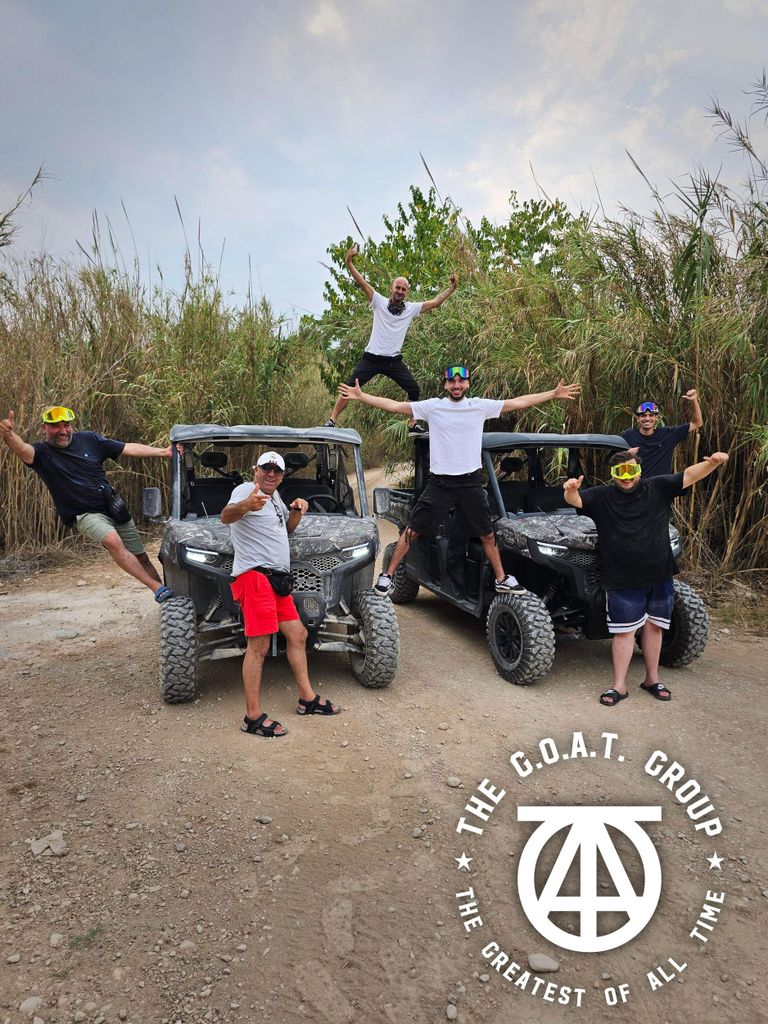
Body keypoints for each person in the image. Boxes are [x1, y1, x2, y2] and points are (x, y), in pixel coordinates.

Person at [340, 366, 581, 595]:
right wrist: (361, 396)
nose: (456, 385)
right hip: (440, 484)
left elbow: (517, 402)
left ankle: (501, 579)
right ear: (445, 385)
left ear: (467, 384)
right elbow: (394, 405)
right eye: (451, 381)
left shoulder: (479, 406)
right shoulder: (433, 407)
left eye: (461, 381)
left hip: (470, 483)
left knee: (487, 534)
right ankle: (388, 576)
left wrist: (553, 394)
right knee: (413, 530)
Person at [563, 449, 729, 708]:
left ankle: (652, 679)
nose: (626, 477)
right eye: (620, 472)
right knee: (624, 633)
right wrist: (571, 489)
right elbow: (576, 501)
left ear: (639, 471)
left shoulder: (657, 487)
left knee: (655, 627)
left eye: (631, 470)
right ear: (613, 474)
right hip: (621, 577)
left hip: (659, 574)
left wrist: (712, 464)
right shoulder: (602, 496)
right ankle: (619, 685)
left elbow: (688, 476)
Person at [221, 451, 341, 738]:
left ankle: (307, 699)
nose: (271, 474)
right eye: (266, 468)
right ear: (256, 469)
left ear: (282, 476)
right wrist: (246, 506)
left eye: (277, 471)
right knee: (259, 647)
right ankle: (252, 717)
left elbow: (286, 530)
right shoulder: (245, 491)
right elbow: (226, 516)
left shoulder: (275, 497)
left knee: (298, 635)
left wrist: (297, 512)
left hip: (278, 581)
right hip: (255, 577)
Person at [0, 405, 175, 602]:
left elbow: (127, 448)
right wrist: (9, 435)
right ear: (44, 428)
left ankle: (168, 600)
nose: (63, 431)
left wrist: (164, 452)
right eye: (56, 426)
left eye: (66, 425)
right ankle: (157, 588)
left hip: (113, 507)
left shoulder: (89, 440)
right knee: (112, 541)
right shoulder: (41, 454)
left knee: (142, 558)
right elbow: (22, 449)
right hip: (84, 514)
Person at [324, 244, 458, 432]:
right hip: (371, 358)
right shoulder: (378, 302)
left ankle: (412, 424)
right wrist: (348, 262)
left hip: (393, 361)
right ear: (391, 288)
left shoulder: (411, 309)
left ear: (406, 292)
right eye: (398, 287)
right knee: (349, 387)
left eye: (403, 289)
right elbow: (362, 282)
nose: (400, 291)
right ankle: (332, 420)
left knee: (414, 389)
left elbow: (435, 302)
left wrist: (452, 288)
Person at [621, 390, 703, 477]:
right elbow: (612, 459)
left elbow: (697, 423)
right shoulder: (628, 435)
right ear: (638, 419)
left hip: (662, 484)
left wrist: (694, 401)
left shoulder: (667, 434)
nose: (647, 419)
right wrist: (626, 455)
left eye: (651, 415)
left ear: (656, 418)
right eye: (643, 415)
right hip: (636, 484)